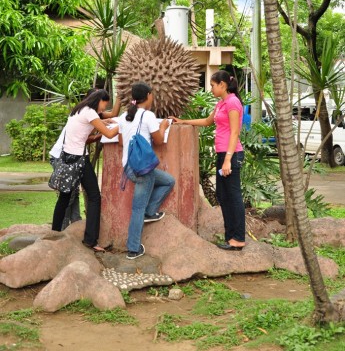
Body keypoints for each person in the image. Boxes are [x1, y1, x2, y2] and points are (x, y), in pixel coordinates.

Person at [170, 70, 245, 251]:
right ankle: (230, 237)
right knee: (222, 194)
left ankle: (239, 238)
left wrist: (228, 159)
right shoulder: (221, 103)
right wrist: (182, 121)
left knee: (233, 196)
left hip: (231, 154)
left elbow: (235, 132)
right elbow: (207, 121)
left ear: (222, 85)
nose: (210, 89)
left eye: (212, 85)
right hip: (222, 153)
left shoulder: (233, 102)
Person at [51, 89, 119, 252]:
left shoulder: (79, 109)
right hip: (79, 160)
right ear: (99, 100)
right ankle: (90, 240)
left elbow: (95, 125)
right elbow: (109, 134)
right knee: (95, 196)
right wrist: (123, 124)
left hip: (68, 158)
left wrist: (105, 122)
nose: (104, 108)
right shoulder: (90, 113)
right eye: (104, 104)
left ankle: (54, 233)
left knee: (64, 197)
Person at [118, 82, 175, 260]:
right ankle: (133, 248)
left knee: (168, 181)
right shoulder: (148, 116)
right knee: (137, 209)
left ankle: (151, 211)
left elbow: (121, 142)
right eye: (152, 95)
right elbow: (159, 141)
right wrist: (164, 125)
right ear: (149, 96)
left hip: (129, 167)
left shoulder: (124, 115)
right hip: (143, 170)